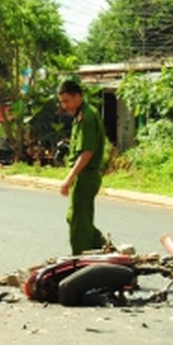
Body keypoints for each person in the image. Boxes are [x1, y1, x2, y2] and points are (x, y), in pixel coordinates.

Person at [57, 79, 106, 255]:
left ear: (78, 96)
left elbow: (87, 152)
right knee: (75, 218)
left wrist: (69, 178)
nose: (64, 106)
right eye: (62, 102)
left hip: (86, 175)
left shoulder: (87, 117)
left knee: (80, 224)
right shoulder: (80, 116)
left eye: (67, 101)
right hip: (82, 176)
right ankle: (102, 248)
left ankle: (80, 259)